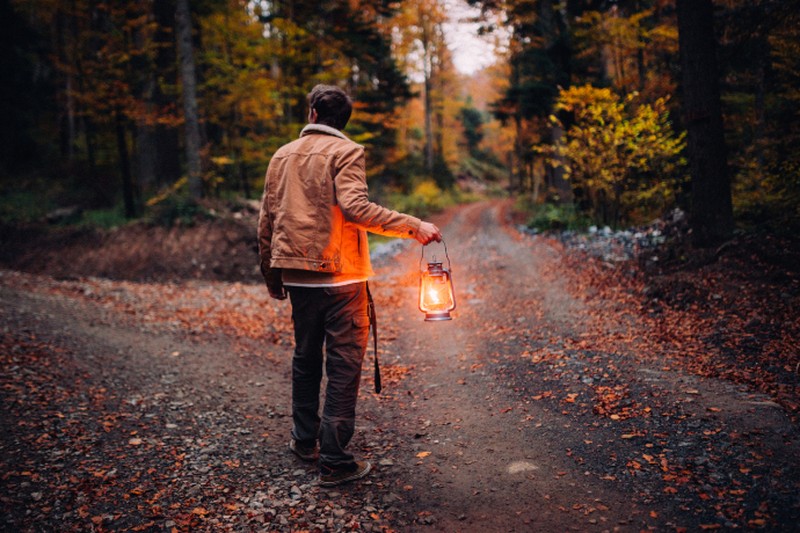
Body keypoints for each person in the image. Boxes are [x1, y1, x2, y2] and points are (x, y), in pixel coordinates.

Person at [257, 84, 442, 487]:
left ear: (312, 114)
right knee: (343, 365)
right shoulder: (348, 151)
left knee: (306, 358)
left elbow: (268, 219)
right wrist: (415, 226)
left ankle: (305, 441)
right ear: (343, 121)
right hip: (342, 278)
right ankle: (336, 461)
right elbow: (357, 209)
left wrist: (273, 276)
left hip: (297, 276)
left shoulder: (282, 155)